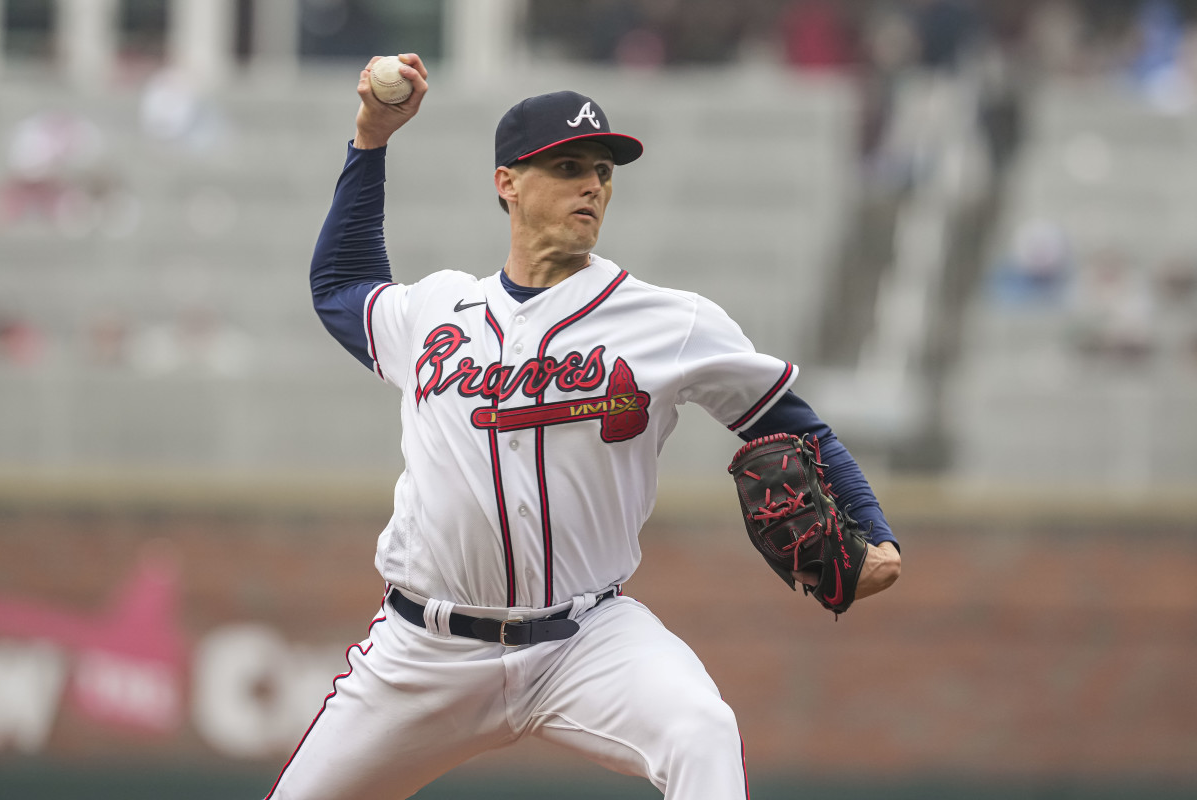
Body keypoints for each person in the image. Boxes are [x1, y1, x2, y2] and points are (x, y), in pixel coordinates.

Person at [267, 54, 902, 800]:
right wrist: (371, 140)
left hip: (587, 639)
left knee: (701, 729)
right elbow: (342, 284)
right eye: (567, 166)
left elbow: (800, 426)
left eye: (602, 170)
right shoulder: (435, 312)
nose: (591, 185)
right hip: (423, 651)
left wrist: (875, 532)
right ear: (507, 183)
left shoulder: (671, 322)